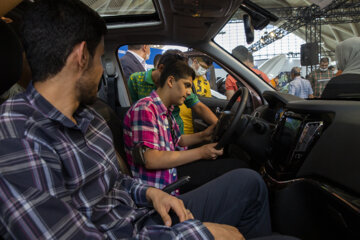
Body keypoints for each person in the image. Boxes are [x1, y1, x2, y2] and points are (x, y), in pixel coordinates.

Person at [0, 1, 285, 239]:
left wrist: (149, 193)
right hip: (136, 230)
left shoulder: (89, 118)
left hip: (142, 216)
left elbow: (116, 184)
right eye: (101, 58)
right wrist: (198, 234)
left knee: (249, 184)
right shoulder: (16, 137)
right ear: (82, 57)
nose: (103, 72)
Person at [124, 60, 250, 194]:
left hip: (171, 171)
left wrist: (203, 135)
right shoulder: (145, 109)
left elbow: (178, 141)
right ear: (171, 81)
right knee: (238, 168)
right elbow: (150, 159)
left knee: (228, 162)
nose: (189, 92)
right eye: (187, 85)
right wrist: (201, 152)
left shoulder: (166, 111)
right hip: (163, 186)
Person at [127, 51, 218, 134]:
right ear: (162, 68)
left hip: (175, 133)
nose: (188, 92)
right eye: (185, 85)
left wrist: (218, 126)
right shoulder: (136, 81)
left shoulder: (178, 93)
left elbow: (199, 107)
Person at [180, 56, 212, 134]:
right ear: (195, 61)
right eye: (202, 66)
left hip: (196, 125)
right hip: (181, 125)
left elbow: (208, 102)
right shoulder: (183, 77)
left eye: (206, 68)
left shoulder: (205, 82)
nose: (203, 70)